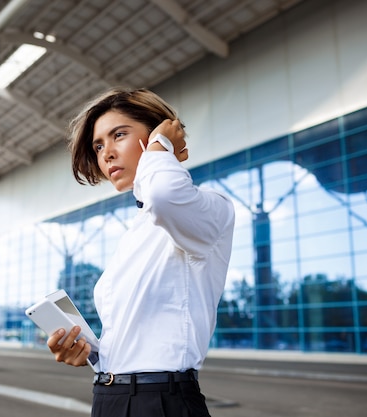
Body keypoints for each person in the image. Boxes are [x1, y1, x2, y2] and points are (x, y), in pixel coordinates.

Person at [47, 87, 235, 417]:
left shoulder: (209, 208)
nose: (106, 154)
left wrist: (162, 146)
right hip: (109, 398)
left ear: (158, 133)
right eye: (99, 145)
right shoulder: (136, 231)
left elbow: (162, 193)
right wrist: (89, 352)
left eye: (119, 135)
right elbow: (134, 339)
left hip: (160, 402)